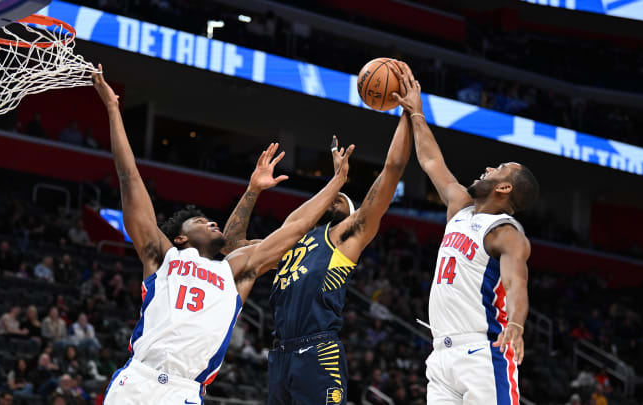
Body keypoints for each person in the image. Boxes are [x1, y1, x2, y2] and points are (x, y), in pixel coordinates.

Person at [92, 65, 353, 405]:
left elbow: (293, 230)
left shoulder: (234, 270)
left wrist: (336, 183)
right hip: (137, 379)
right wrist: (113, 110)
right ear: (180, 238)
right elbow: (129, 177)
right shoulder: (163, 256)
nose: (211, 223)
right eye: (200, 221)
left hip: (184, 390)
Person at [222, 64, 414, 405]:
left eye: (340, 199)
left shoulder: (344, 237)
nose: (333, 201)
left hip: (318, 351)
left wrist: (408, 112)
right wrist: (252, 190)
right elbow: (232, 248)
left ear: (350, 215)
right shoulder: (290, 243)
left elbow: (392, 170)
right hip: (280, 354)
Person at [393, 61, 538, 403]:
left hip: (483, 354)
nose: (487, 168)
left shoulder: (505, 232)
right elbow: (430, 161)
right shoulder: (459, 206)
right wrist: (416, 113)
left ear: (503, 188)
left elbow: (517, 283)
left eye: (497, 168)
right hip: (441, 356)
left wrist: (516, 325)